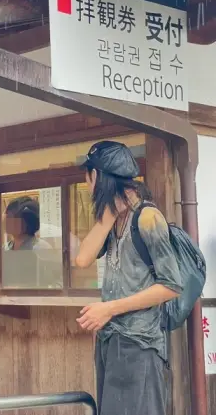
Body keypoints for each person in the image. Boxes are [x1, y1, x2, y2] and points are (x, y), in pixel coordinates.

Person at [74, 141, 182, 415]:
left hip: (140, 344)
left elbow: (171, 285)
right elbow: (82, 259)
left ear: (96, 175)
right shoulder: (112, 219)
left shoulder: (148, 218)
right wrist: (108, 215)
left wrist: (108, 309)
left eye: (88, 177)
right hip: (112, 341)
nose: (87, 185)